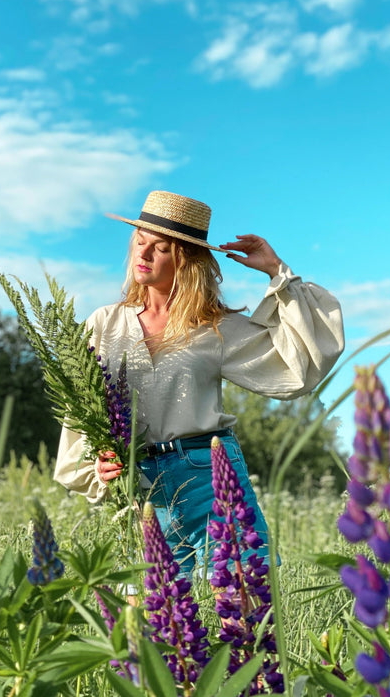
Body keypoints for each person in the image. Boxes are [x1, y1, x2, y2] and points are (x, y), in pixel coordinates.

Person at [54, 190, 344, 575]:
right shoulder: (104, 324)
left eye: (159, 248)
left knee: (245, 609)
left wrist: (278, 274)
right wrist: (97, 467)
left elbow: (297, 366)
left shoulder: (214, 326)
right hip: (137, 487)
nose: (143, 255)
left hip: (211, 474)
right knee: (152, 621)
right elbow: (80, 412)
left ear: (185, 260)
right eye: (140, 242)